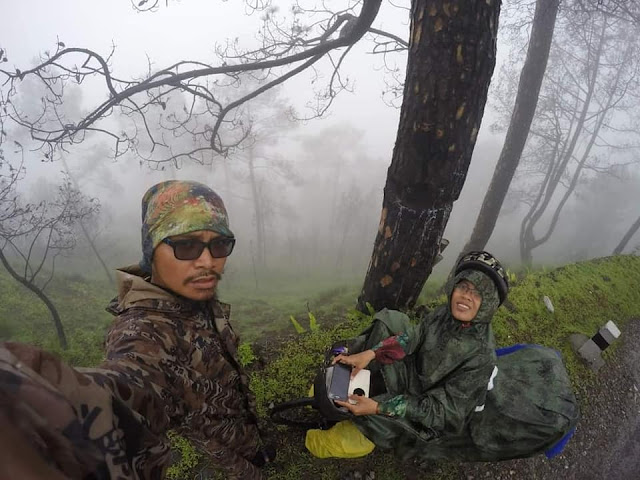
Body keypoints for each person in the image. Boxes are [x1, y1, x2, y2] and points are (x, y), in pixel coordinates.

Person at [0, 180, 273, 479]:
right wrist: (30, 411)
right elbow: (124, 386)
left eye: (220, 244)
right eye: (186, 245)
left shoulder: (191, 294)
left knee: (258, 450)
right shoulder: (142, 331)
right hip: (222, 452)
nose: (208, 262)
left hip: (241, 420)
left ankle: (260, 452)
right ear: (152, 249)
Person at [306, 251, 578, 462]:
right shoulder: (444, 314)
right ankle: (341, 372)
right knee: (391, 319)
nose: (465, 298)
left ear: (489, 303)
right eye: (463, 288)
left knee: (355, 433)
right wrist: (371, 353)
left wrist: (378, 408)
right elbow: (415, 336)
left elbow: (440, 413)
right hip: (412, 373)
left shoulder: (481, 357)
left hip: (423, 408)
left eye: (477, 294)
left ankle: (312, 438)